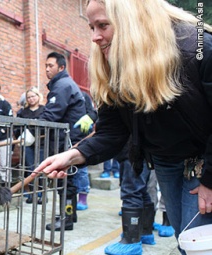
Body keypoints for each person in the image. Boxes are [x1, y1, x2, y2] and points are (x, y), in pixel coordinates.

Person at [33, 0, 212, 254]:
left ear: (130, 21)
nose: (95, 37)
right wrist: (72, 155)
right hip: (165, 161)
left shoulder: (197, 46)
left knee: (200, 245)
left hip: (204, 159)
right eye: (91, 27)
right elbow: (111, 132)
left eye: (103, 25)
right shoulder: (112, 63)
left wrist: (210, 180)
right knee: (185, 239)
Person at [38, 52, 87, 231]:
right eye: (46, 66)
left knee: (65, 182)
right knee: (68, 180)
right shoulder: (63, 84)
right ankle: (69, 215)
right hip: (65, 139)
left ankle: (66, 219)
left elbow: (52, 113)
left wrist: (33, 128)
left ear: (61, 68)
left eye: (50, 65)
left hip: (66, 140)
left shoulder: (62, 85)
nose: (47, 69)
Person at [16, 87, 45, 204]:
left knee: (41, 167)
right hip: (27, 144)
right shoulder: (23, 112)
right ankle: (32, 194)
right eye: (29, 97)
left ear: (38, 96)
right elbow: (17, 127)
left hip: (42, 143)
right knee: (30, 168)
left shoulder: (45, 110)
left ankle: (42, 194)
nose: (31, 99)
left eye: (33, 96)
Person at [72, 91, 98, 210]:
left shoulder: (83, 96)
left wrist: (90, 120)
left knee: (81, 169)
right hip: (66, 136)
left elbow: (92, 112)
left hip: (81, 136)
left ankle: (82, 198)